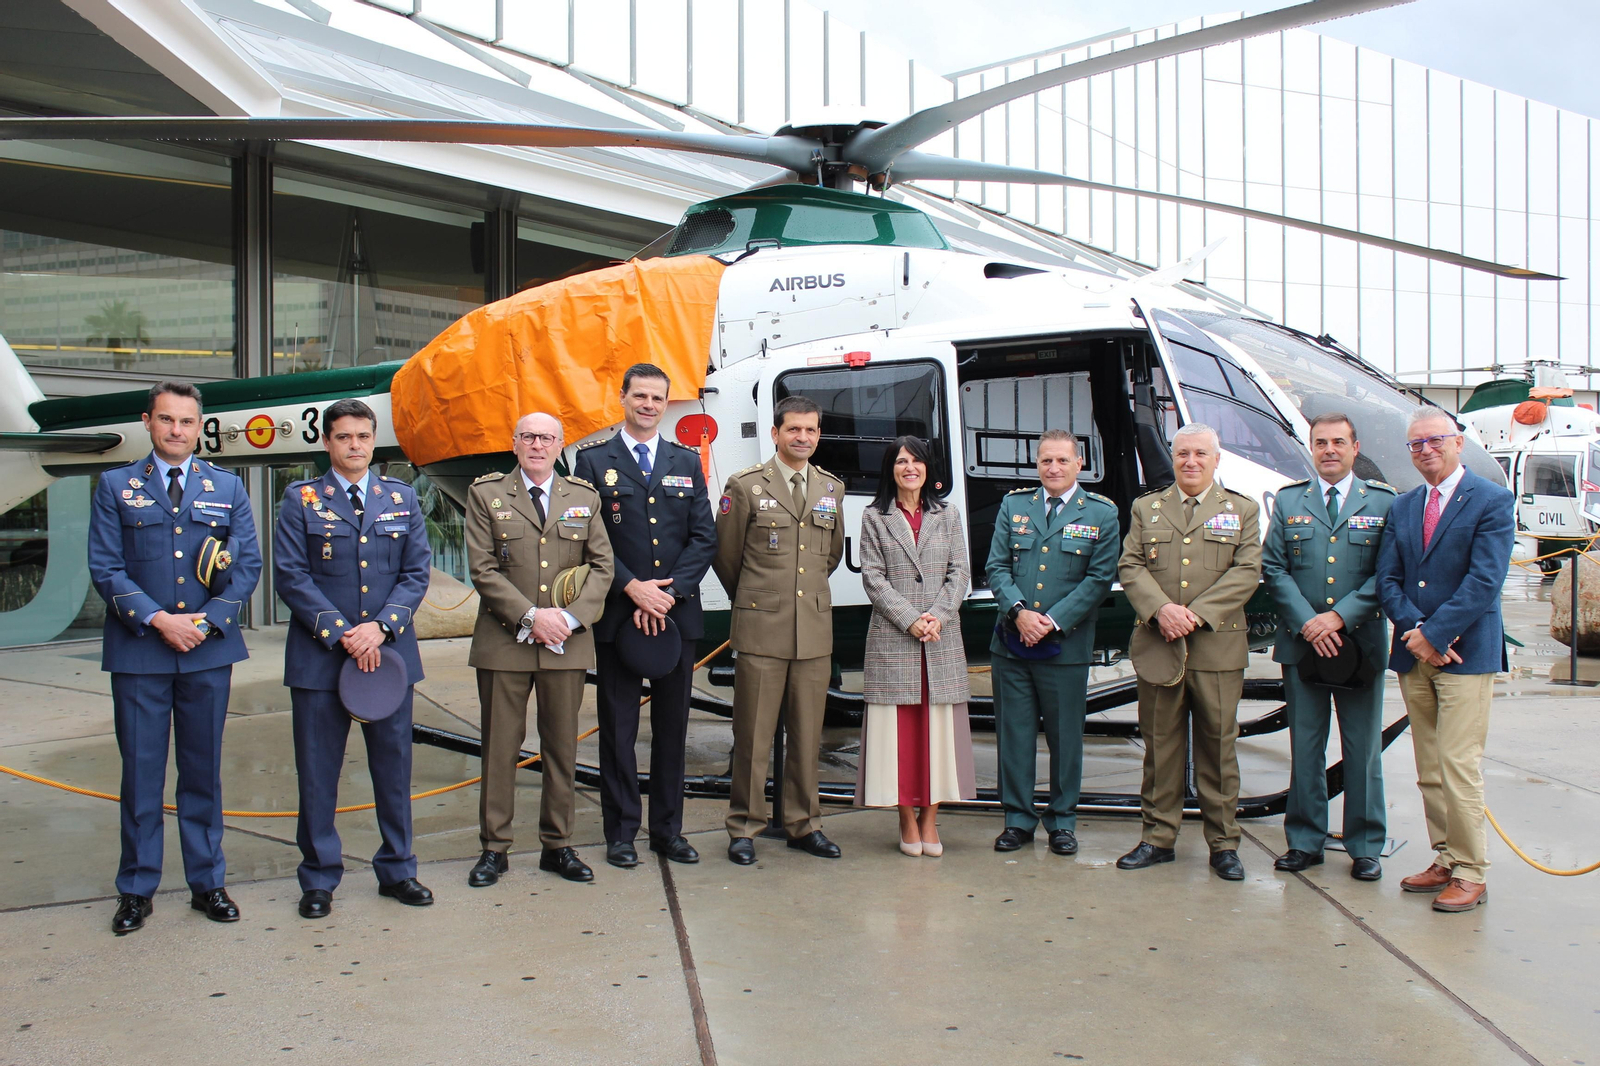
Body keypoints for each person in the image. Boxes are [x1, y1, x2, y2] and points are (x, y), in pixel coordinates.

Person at [87, 381, 262, 934]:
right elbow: (106, 568)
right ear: (148, 422)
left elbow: (248, 566)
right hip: (141, 651)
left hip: (207, 653)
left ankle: (207, 883)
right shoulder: (117, 485)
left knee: (202, 772)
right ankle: (137, 890)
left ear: (199, 426)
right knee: (140, 775)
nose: (177, 430)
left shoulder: (228, 486)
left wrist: (205, 621)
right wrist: (160, 620)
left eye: (187, 422)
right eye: (166, 420)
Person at [273, 398, 434, 919]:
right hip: (321, 659)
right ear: (327, 442)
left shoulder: (401, 497)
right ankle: (319, 877)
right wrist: (344, 633)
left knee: (394, 767)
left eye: (363, 437)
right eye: (344, 437)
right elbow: (291, 577)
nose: (355, 446)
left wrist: (381, 628)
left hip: (388, 657)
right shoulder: (300, 500)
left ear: (373, 441)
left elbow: (416, 573)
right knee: (318, 772)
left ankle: (399, 870)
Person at [573, 363, 717, 869]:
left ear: (667, 403)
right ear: (623, 398)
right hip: (619, 615)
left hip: (676, 616)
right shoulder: (592, 462)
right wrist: (632, 588)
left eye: (658, 398)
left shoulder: (684, 459)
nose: (649, 405)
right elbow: (588, 540)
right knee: (617, 729)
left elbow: (704, 536)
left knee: (673, 729)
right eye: (640, 396)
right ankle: (620, 832)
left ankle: (668, 831)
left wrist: (669, 593)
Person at [464, 412, 614, 885]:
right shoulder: (486, 494)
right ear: (514, 443)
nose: (537, 444)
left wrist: (567, 620)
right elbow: (483, 568)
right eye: (528, 436)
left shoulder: (582, 497)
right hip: (504, 642)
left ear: (559, 444)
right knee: (500, 748)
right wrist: (532, 617)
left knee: (560, 749)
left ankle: (558, 845)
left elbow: (603, 566)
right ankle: (494, 848)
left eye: (546, 437)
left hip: (564, 644)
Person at [1376, 409, 1514, 912]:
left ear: (1458, 443)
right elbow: (1387, 579)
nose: (1425, 450)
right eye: (1415, 444)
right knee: (1429, 767)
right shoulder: (1405, 505)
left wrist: (1435, 634)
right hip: (1416, 654)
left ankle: (1472, 871)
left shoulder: (1493, 501)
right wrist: (1415, 633)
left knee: (1458, 765)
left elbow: (1485, 581)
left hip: (1465, 654)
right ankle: (1446, 857)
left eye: (1435, 440)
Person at [1115, 423, 1261, 881]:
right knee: (1161, 748)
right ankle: (1158, 837)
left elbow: (1247, 571)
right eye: (1182, 454)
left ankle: (1223, 843)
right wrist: (1161, 610)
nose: (1190, 462)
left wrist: (1193, 614)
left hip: (1217, 648)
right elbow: (1130, 564)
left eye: (1200, 454)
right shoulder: (1147, 508)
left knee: (1219, 747)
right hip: (1161, 646)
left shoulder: (1242, 509)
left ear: (1216, 459)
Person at [1261, 413, 1396, 881]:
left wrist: (1339, 617)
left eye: (1339, 442)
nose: (1330, 450)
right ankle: (1304, 840)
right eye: (1321, 443)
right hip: (1303, 646)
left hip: (1359, 645)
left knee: (1362, 749)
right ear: (1311, 448)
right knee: (1307, 744)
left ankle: (1364, 845)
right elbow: (1274, 568)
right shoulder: (1289, 499)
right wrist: (1309, 623)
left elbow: (1387, 573)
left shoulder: (1381, 501)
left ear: (1355, 448)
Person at [714, 395, 846, 865]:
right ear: (775, 434)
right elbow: (727, 558)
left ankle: (802, 823)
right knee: (753, 734)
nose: (803, 438)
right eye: (794, 429)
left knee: (808, 735)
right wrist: (759, 600)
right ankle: (744, 827)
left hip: (811, 629)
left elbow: (827, 558)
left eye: (811, 430)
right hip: (761, 628)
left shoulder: (831, 489)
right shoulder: (745, 486)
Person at [985, 430, 1119, 857]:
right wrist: (1019, 612)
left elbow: (1100, 579)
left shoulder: (1101, 514)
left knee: (1066, 740)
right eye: (1046, 461)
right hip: (1012, 641)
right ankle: (1018, 820)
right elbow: (996, 566)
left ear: (1079, 464)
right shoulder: (1014, 505)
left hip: (1066, 646)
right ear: (1037, 464)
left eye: (1062, 461)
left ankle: (1062, 822)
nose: (1054, 469)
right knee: (1015, 736)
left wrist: (1051, 621)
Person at [854, 436, 975, 856]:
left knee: (937, 733)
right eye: (901, 461)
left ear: (928, 468)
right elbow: (873, 578)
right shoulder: (874, 516)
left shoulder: (949, 514)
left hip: (941, 639)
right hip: (894, 638)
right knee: (899, 737)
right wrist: (911, 620)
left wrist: (936, 617)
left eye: (917, 461)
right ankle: (906, 818)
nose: (910, 468)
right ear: (891, 469)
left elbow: (960, 573)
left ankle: (930, 820)